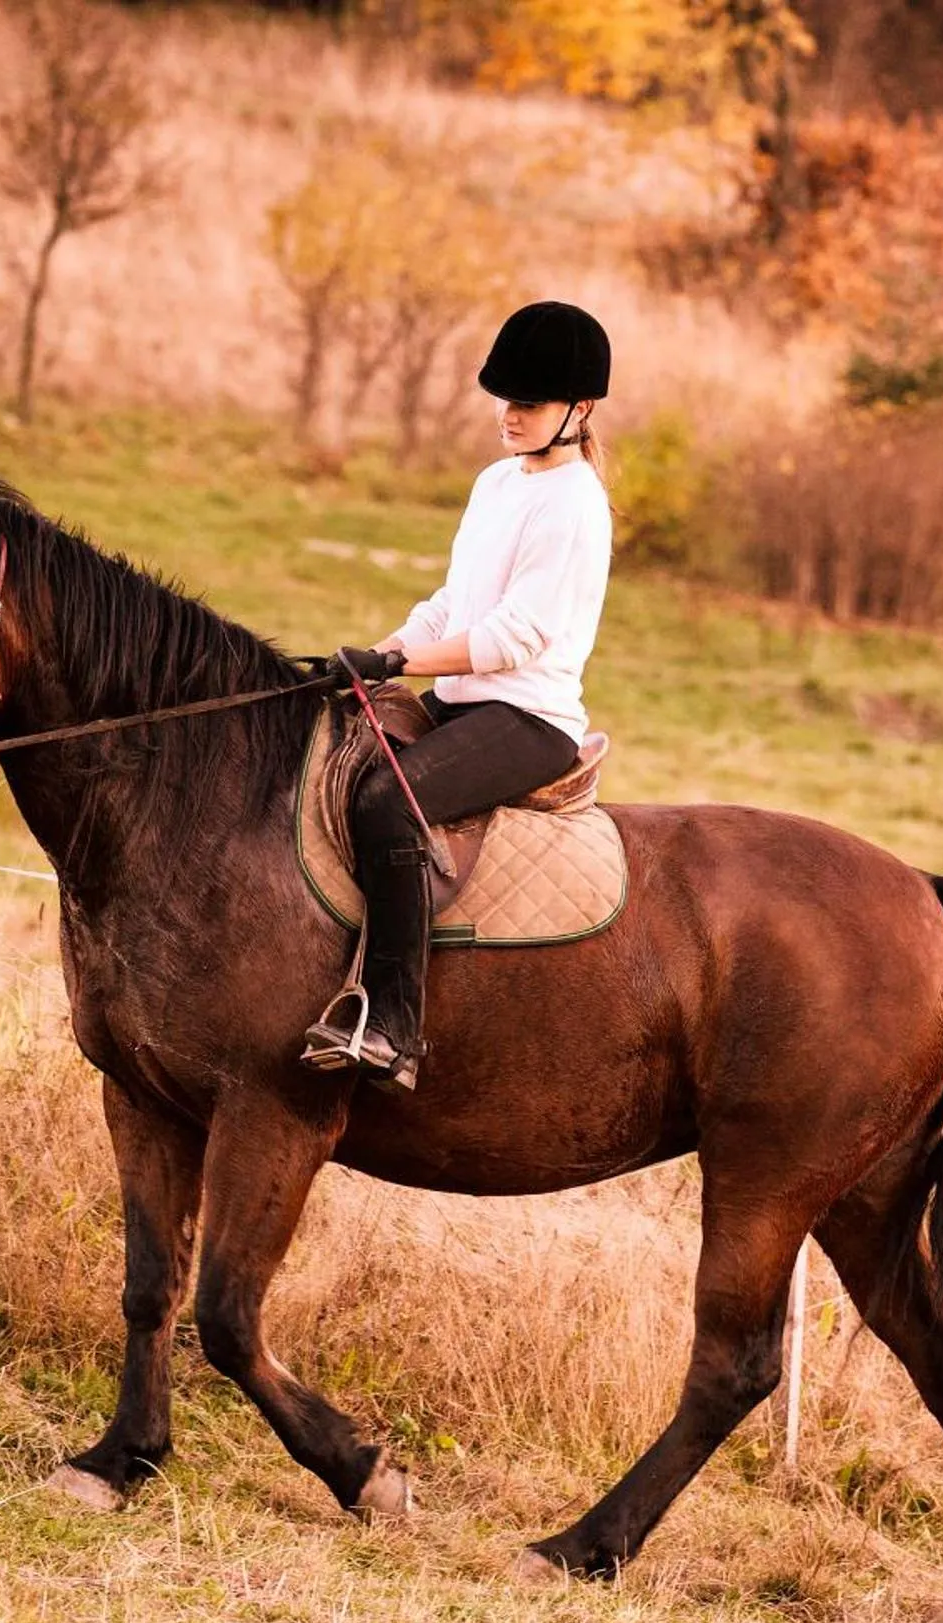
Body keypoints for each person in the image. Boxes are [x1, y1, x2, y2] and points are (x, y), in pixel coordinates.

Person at [301, 300, 615, 1093]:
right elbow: (454, 602)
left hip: (526, 718)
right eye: (505, 399)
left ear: (578, 410)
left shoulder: (574, 505)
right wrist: (377, 658)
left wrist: (399, 663)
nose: (509, 415)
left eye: (528, 404)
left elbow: (515, 636)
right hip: (461, 697)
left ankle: (394, 1026)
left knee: (388, 804)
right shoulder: (497, 482)